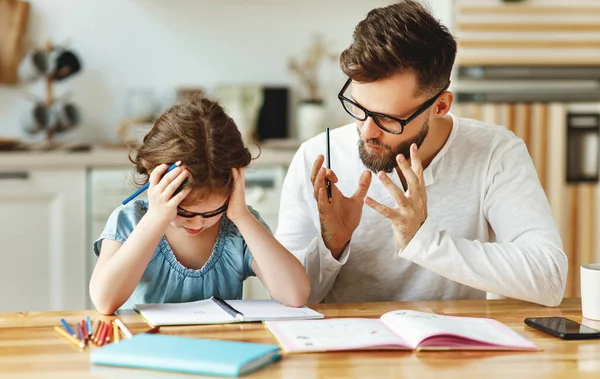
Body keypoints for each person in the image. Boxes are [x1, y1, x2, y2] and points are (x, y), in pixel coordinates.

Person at [276, 0, 567, 307]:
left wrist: (423, 241)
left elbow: (549, 277)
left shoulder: (494, 152)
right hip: (343, 349)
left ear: (440, 106)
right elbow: (286, 300)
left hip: (454, 347)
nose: (366, 131)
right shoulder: (317, 157)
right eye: (359, 108)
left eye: (388, 118)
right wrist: (331, 246)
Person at [90, 96, 310, 315]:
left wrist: (241, 215)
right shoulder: (130, 221)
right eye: (183, 211)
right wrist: (156, 218)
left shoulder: (239, 225)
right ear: (155, 178)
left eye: (213, 212)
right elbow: (104, 301)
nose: (197, 222)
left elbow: (294, 295)